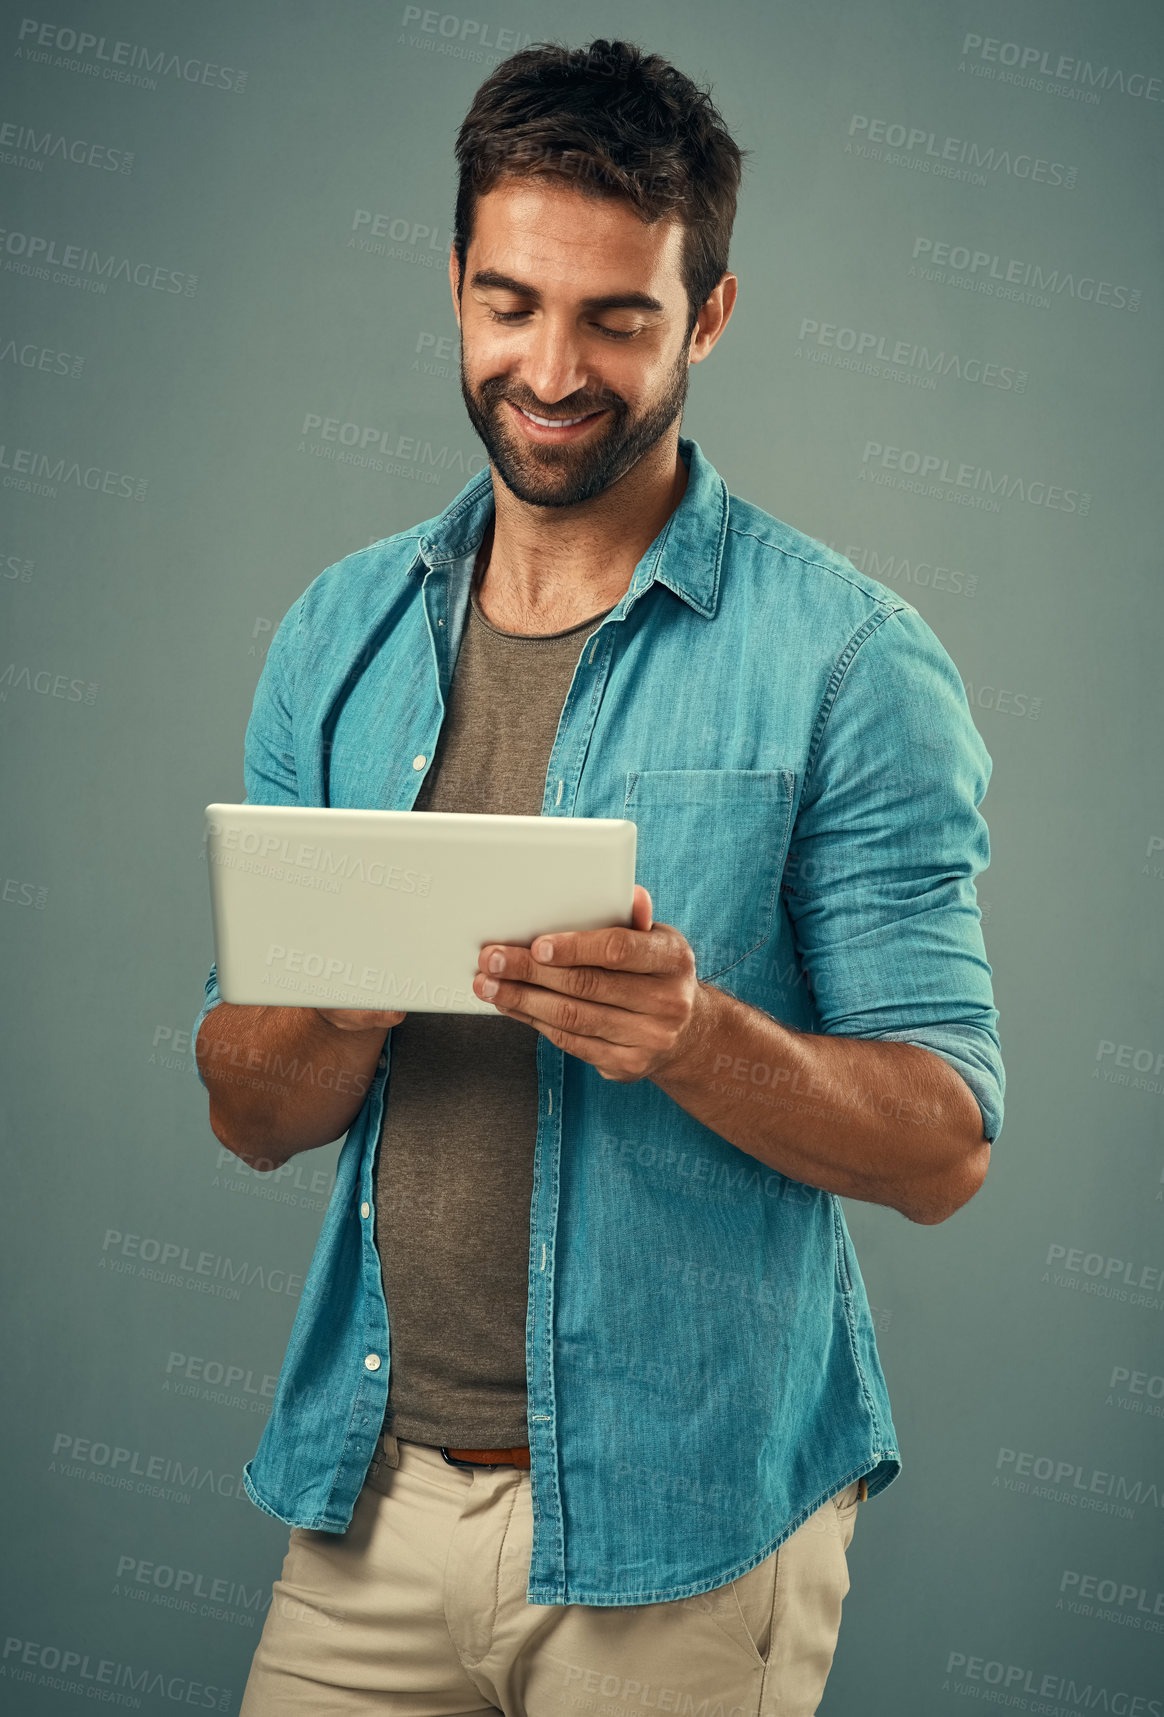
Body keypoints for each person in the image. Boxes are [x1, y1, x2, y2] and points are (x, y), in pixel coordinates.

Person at [194, 38, 1004, 1717]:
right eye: (509, 304)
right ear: (454, 282)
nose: (549, 368)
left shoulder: (852, 663)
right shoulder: (334, 643)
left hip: (692, 1533)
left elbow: (945, 1147)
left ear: (706, 313)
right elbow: (249, 1110)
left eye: (616, 319)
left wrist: (698, 1038)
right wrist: (337, 1002)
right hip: (373, 1501)